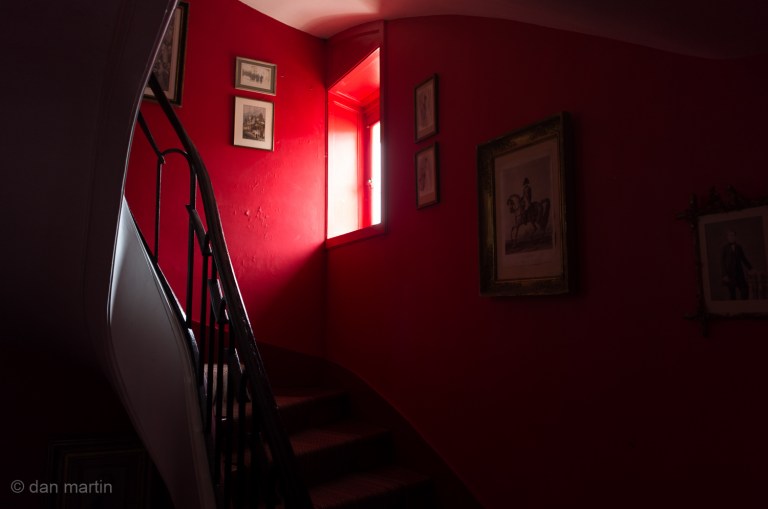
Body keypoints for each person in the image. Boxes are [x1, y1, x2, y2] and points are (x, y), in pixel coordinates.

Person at [721, 230, 752, 300]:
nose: (731, 237)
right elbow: (722, 262)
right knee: (732, 294)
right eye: (730, 235)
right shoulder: (724, 248)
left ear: (735, 237)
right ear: (727, 237)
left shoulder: (739, 247)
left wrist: (751, 268)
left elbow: (743, 258)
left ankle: (744, 307)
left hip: (739, 273)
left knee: (744, 289)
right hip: (729, 274)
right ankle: (734, 309)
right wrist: (724, 274)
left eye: (733, 235)